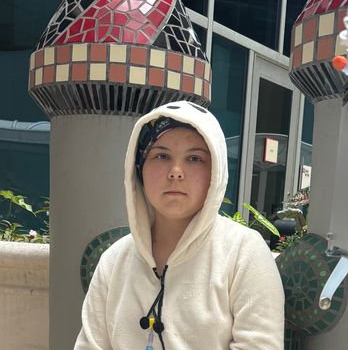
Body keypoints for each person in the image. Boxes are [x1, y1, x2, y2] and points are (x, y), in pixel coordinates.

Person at [74, 100, 284, 349]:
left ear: (216, 172)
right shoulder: (114, 260)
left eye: (194, 158)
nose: (176, 171)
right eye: (161, 156)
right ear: (138, 169)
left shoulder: (244, 252)